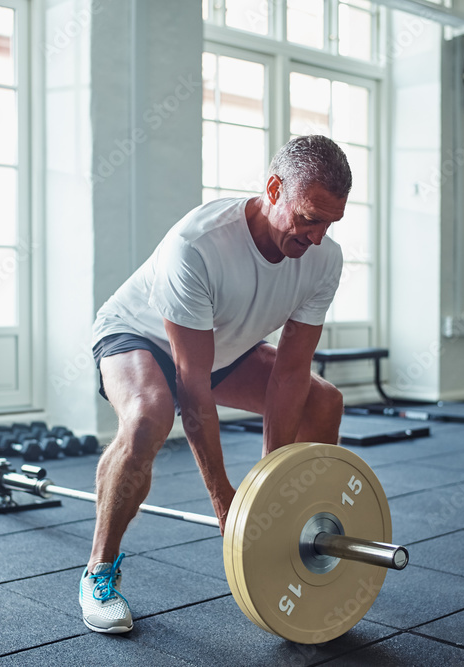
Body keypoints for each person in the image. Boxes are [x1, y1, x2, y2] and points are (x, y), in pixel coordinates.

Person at [80, 134, 352, 634]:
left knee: (323, 401)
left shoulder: (324, 259)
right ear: (274, 189)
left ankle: (297, 529)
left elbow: (291, 375)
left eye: (329, 223)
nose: (316, 237)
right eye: (309, 218)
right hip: (137, 335)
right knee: (148, 417)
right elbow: (192, 384)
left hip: (222, 344)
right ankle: (99, 571)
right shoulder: (198, 244)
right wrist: (225, 498)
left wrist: (268, 489)